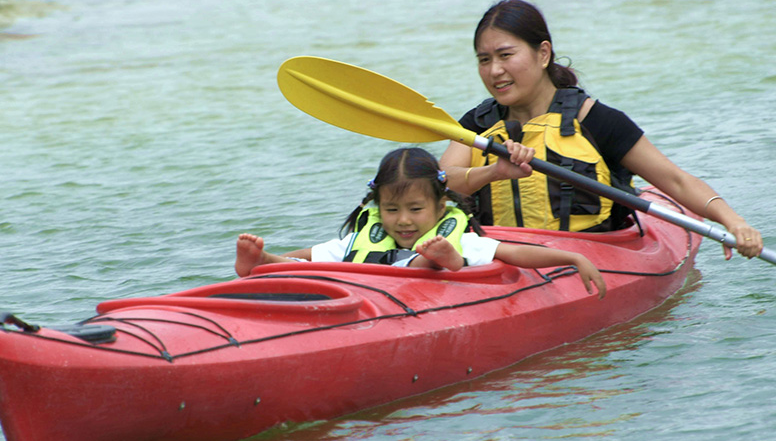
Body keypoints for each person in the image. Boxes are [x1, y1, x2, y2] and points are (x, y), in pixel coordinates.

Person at [438, 0, 763, 260]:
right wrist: (494, 171)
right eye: (484, 60)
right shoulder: (477, 126)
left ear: (543, 53)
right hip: (500, 254)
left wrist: (733, 222)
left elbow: (676, 181)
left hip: (589, 255)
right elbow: (438, 185)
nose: (495, 70)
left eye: (506, 55)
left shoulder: (596, 121)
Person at [236, 147, 606, 298]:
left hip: (434, 264)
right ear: (377, 206)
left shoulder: (454, 235)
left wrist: (573, 259)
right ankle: (263, 265)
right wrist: (274, 256)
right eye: (392, 210)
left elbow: (512, 253)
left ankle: (436, 263)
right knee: (324, 260)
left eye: (416, 209)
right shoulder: (368, 236)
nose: (403, 221)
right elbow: (316, 254)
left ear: (441, 205)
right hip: (368, 284)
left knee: (439, 255)